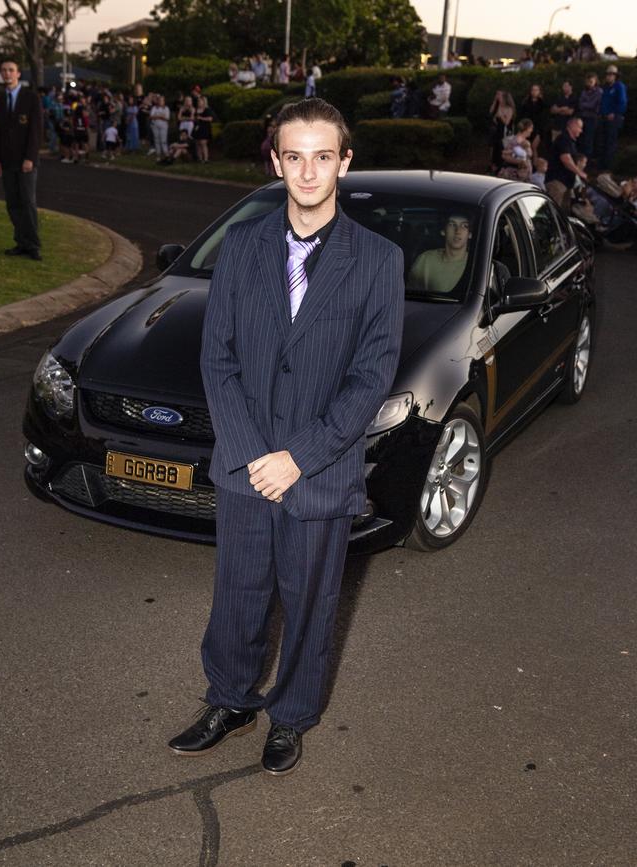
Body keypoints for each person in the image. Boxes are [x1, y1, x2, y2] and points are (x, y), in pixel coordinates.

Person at [168, 98, 404, 776]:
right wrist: (251, 454)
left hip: (318, 471)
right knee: (237, 592)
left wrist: (298, 457)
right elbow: (219, 359)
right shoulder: (241, 246)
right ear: (276, 161)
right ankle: (230, 698)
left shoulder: (378, 259)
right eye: (294, 156)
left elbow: (371, 375)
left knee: (309, 601)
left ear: (344, 162)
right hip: (244, 466)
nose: (307, 171)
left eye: (322, 156)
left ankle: (291, 715)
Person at [0, 58, 43, 261]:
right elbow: (0, 133)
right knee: (13, 204)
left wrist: (30, 157)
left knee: (28, 202)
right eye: (4, 70)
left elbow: (36, 132)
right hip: (7, 161)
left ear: (18, 74)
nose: (7, 74)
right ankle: (21, 242)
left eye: (11, 70)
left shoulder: (31, 98)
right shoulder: (1, 99)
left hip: (26, 161)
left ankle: (33, 245)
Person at [409, 214, 471, 294]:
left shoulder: (476, 265)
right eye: (452, 224)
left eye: (464, 226)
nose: (458, 231)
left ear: (470, 234)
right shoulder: (425, 259)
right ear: (443, 231)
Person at [545, 116, 587, 213]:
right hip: (558, 182)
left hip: (566, 184)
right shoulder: (564, 139)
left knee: (563, 212)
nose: (581, 131)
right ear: (572, 126)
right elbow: (566, 159)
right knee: (554, 211)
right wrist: (580, 173)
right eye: (580, 127)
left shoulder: (571, 143)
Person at [597, 65, 628, 172]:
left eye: (611, 74)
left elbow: (622, 102)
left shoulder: (619, 86)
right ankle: (601, 164)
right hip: (604, 118)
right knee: (602, 141)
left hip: (614, 118)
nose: (609, 76)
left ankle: (608, 166)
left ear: (615, 76)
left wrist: (614, 113)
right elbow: (602, 102)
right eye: (607, 74)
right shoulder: (605, 87)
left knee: (611, 142)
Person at [489, 90, 515, 173]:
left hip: (504, 131)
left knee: (501, 148)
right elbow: (491, 112)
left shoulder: (509, 109)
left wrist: (501, 116)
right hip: (496, 130)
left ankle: (500, 166)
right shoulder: (498, 106)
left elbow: (507, 122)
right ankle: (493, 165)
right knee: (494, 148)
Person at [578, 73, 602, 159]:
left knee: (589, 139)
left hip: (592, 118)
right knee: (582, 138)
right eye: (588, 81)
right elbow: (580, 104)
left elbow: (593, 105)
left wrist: (586, 105)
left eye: (591, 81)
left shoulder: (599, 92)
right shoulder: (584, 92)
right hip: (584, 117)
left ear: (595, 82)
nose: (589, 83)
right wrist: (586, 105)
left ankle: (588, 158)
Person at [520, 84, 546, 162]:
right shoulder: (526, 102)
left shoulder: (542, 103)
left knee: (534, 147)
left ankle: (534, 165)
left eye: (536, 90)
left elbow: (543, 117)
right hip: (527, 127)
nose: (534, 92)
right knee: (526, 146)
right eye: (533, 90)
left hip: (538, 128)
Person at [193, 96, 214, 162]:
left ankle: (206, 159)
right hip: (197, 127)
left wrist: (201, 118)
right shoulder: (196, 110)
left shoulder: (207, 109)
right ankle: (200, 158)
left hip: (205, 127)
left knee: (203, 143)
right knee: (197, 143)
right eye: (198, 101)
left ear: (204, 101)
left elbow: (210, 119)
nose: (198, 102)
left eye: (200, 101)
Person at [150, 95, 170, 161]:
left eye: (162, 100)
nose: (160, 102)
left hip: (164, 126)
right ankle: (158, 155)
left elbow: (167, 118)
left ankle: (166, 154)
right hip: (155, 125)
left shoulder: (166, 108)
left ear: (164, 101)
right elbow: (151, 116)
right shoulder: (154, 108)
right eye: (159, 100)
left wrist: (157, 116)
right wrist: (160, 116)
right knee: (157, 140)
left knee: (163, 140)